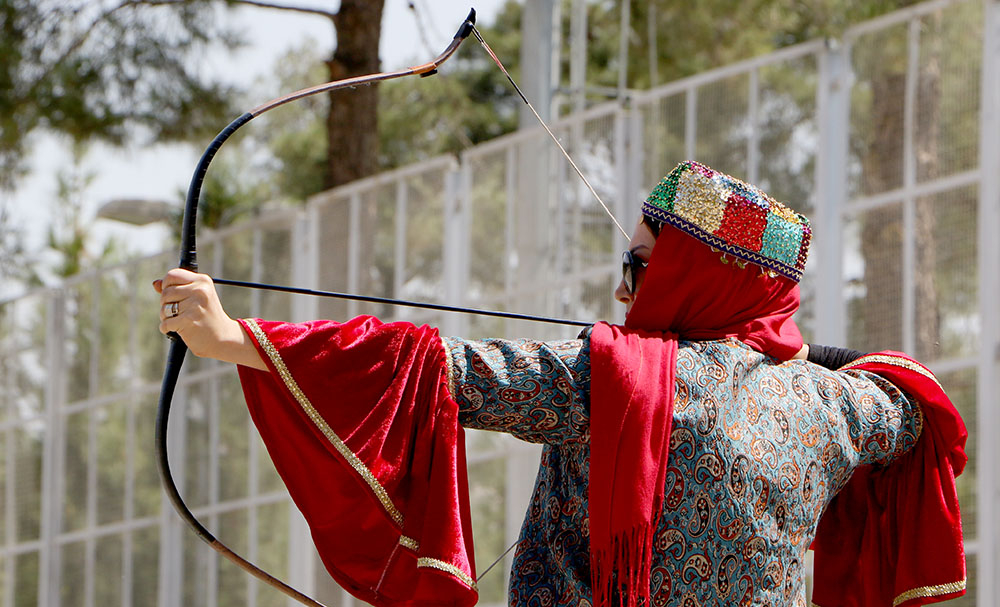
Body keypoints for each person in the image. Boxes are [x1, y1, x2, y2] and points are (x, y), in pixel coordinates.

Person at [155, 161, 967, 607]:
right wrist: (816, 358)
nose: (623, 291)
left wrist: (232, 338)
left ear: (697, 277)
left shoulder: (614, 379)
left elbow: (433, 366)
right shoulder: (832, 409)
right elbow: (913, 400)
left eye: (641, 266)